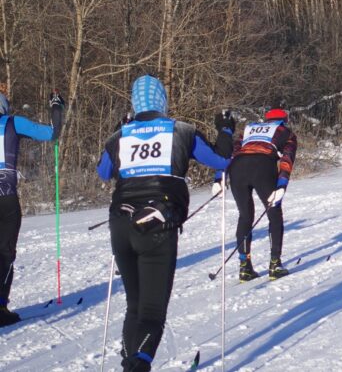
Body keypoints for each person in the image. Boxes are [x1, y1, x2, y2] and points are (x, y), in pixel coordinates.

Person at [96, 75, 230, 370]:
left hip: (121, 223)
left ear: (135, 103)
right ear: (162, 101)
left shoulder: (120, 135)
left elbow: (103, 172)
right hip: (157, 222)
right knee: (152, 312)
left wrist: (120, 131)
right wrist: (225, 129)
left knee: (134, 305)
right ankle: (137, 365)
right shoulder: (180, 130)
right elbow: (222, 160)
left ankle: (129, 363)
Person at [0, 93, 57, 327]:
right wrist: (57, 108)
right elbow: (51, 133)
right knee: (5, 253)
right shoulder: (12, 122)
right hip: (6, 198)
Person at [226, 107, 299, 281]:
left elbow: (233, 152)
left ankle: (245, 267)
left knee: (245, 216)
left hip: (237, 169)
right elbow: (287, 159)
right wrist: (282, 185)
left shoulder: (249, 128)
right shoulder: (286, 132)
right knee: (274, 213)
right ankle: (275, 264)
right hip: (263, 166)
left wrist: (220, 176)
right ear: (284, 120)